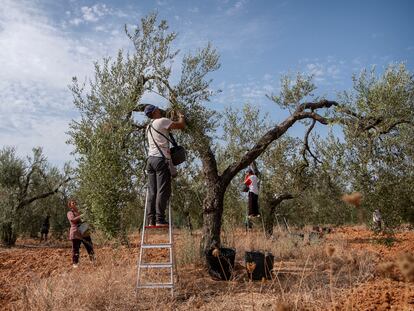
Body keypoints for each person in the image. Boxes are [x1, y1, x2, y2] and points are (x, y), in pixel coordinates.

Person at [144, 104, 186, 227]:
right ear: (155, 111)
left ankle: (151, 219)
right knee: (163, 190)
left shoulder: (148, 126)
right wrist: (181, 115)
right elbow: (181, 125)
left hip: (150, 160)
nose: (159, 109)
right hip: (161, 160)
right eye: (157, 109)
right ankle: (160, 219)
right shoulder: (162, 121)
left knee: (153, 191)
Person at [67, 199, 95, 268]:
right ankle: (75, 264)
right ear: (70, 206)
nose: (75, 204)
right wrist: (82, 215)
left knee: (89, 246)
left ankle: (93, 261)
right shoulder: (70, 213)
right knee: (75, 249)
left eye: (75, 202)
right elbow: (72, 220)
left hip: (84, 232)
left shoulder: (81, 211)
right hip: (75, 233)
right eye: (73, 203)